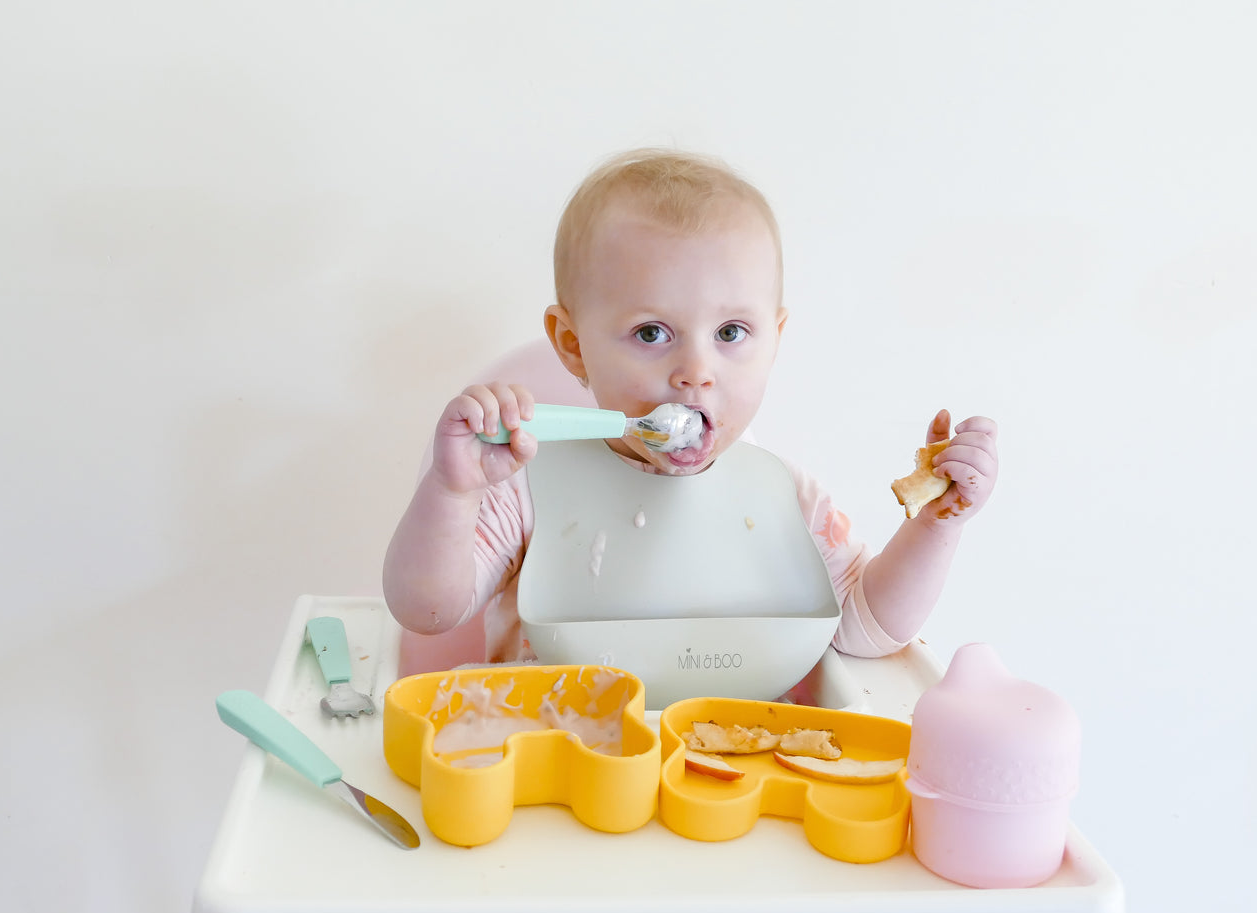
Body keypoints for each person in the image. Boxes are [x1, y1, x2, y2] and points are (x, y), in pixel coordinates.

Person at [384, 148, 998, 664]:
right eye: (652, 333)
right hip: (549, 776)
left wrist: (935, 526)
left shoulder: (782, 500)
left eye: (730, 333)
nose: (696, 374)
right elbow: (427, 610)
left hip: (722, 782)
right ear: (574, 346)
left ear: (774, 340)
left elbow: (865, 631)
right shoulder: (529, 486)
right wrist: (453, 492)